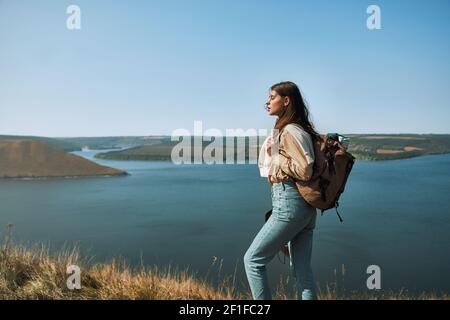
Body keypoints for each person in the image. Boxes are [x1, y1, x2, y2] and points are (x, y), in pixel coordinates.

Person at [244, 81, 319, 300]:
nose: (267, 102)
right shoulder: (293, 129)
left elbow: (304, 170)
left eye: (272, 97)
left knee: (252, 261)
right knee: (302, 273)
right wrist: (275, 152)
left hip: (289, 206)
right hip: (303, 209)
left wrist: (274, 154)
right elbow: (281, 166)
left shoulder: (290, 130)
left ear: (286, 101)